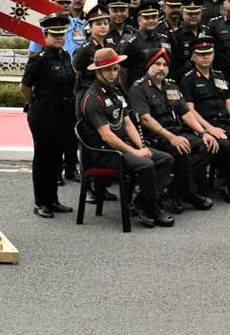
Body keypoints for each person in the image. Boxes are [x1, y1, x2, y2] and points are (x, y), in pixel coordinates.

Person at [78, 47, 175, 228]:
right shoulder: (93, 98)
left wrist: (140, 147)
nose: (113, 73)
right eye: (108, 69)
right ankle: (149, 207)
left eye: (115, 68)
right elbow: (107, 136)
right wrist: (135, 153)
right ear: (98, 71)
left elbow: (128, 122)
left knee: (166, 159)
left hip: (123, 145)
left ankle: (142, 203)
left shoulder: (114, 91)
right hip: (105, 152)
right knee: (146, 165)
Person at [126, 48, 215, 212]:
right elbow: (145, 119)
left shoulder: (171, 86)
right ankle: (186, 192)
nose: (161, 68)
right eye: (157, 64)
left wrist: (204, 133)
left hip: (177, 132)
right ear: (149, 66)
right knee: (182, 150)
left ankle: (177, 188)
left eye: (165, 65)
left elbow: (186, 113)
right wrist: (171, 137)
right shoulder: (139, 88)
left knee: (207, 145)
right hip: (154, 137)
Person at [178, 37, 230, 204]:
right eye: (201, 54)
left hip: (225, 123)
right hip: (204, 126)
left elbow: (229, 102)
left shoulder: (220, 76)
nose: (206, 57)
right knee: (225, 146)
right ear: (193, 57)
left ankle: (229, 184)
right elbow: (190, 110)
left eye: (209, 53)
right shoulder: (188, 79)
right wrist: (208, 129)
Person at [21, 15, 76, 218]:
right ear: (45, 36)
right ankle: (41, 202)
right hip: (44, 114)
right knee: (43, 159)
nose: (59, 38)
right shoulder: (38, 60)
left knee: (56, 158)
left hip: (63, 114)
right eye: (55, 35)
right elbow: (24, 86)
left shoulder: (65, 56)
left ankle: (53, 199)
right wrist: (32, 103)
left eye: (62, 34)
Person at [119, 4, 170, 89]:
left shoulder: (165, 39)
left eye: (154, 17)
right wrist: (128, 93)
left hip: (161, 88)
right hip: (140, 90)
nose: (151, 21)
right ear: (139, 21)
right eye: (146, 18)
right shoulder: (131, 43)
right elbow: (123, 72)